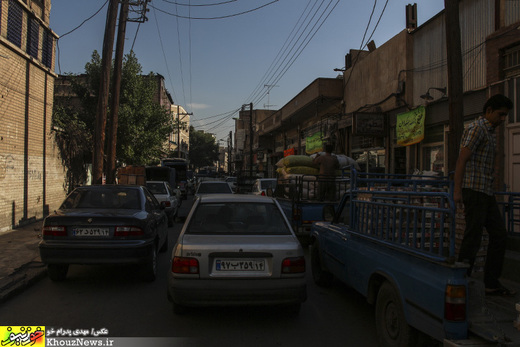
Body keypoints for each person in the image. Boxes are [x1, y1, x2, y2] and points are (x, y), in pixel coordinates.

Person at [454, 94, 514, 296]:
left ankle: (491, 283)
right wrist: (457, 190)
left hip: (485, 192)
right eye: (501, 114)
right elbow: (461, 160)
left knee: (499, 234)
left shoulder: (490, 132)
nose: (503, 119)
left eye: (505, 115)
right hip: (473, 190)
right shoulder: (477, 129)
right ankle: (461, 280)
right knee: (473, 236)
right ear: (489, 111)